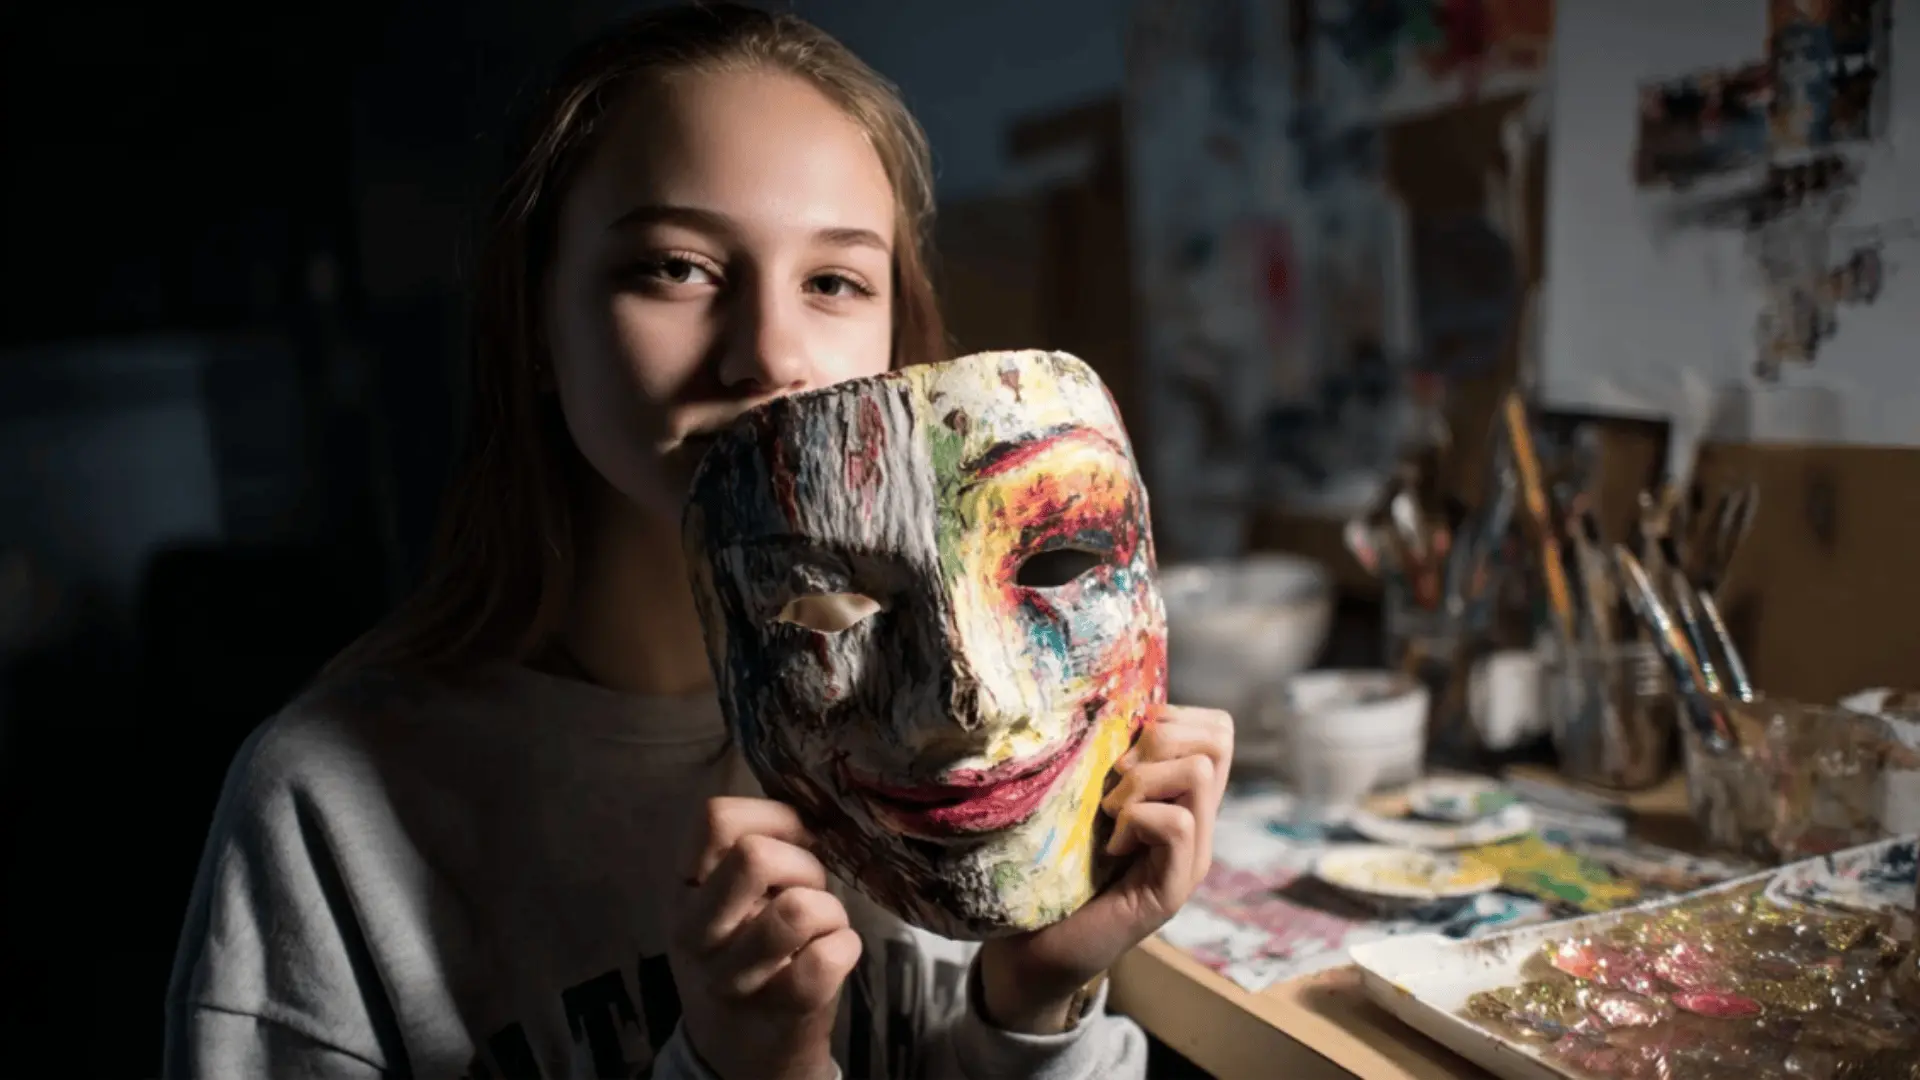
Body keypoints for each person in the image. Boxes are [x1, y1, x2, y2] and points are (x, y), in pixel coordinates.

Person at [162, 5, 1234, 1079]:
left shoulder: (973, 746)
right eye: (677, 268)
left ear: (895, 334)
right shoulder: (326, 809)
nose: (769, 354)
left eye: (833, 282)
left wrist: (1035, 1005)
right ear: (536, 322)